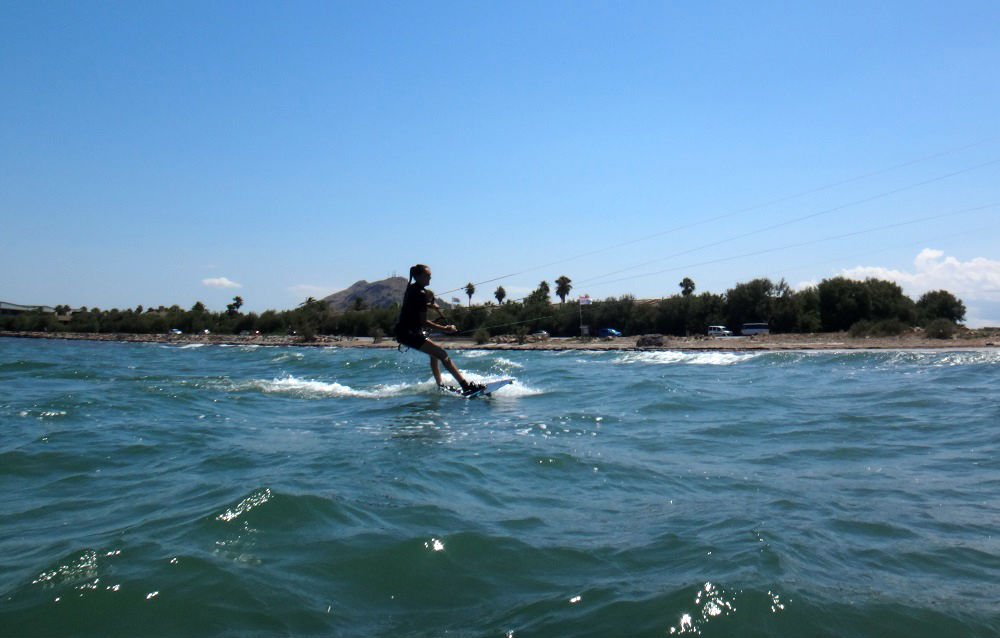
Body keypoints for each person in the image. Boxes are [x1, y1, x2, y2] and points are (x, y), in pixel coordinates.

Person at [395, 264, 484, 395]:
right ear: (418, 276)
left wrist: (429, 305)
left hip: (406, 332)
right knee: (442, 354)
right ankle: (466, 386)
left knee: (435, 354)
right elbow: (423, 322)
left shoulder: (412, 288)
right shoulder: (420, 293)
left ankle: (440, 385)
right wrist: (446, 329)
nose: (430, 279)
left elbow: (413, 305)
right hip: (409, 334)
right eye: (427, 276)